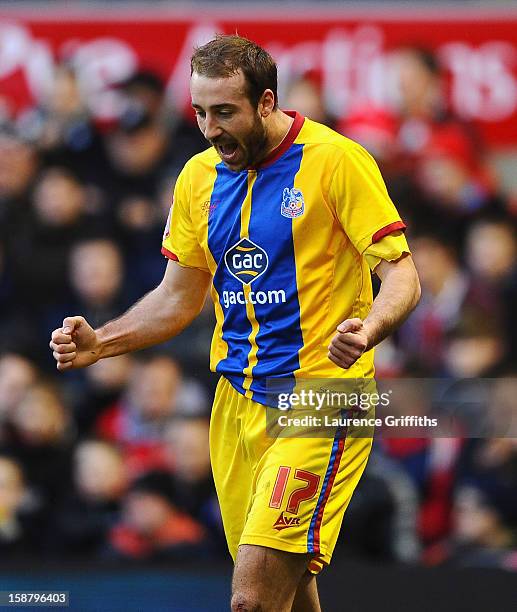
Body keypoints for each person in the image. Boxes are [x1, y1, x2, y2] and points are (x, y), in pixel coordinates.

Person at [50, 35, 420, 612]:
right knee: (289, 589)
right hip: (236, 402)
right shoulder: (198, 178)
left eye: (225, 112)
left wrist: (369, 328)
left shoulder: (337, 161)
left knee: (251, 598)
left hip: (322, 396)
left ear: (267, 103)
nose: (210, 128)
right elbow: (178, 298)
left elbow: (403, 276)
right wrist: (103, 343)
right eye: (200, 112)